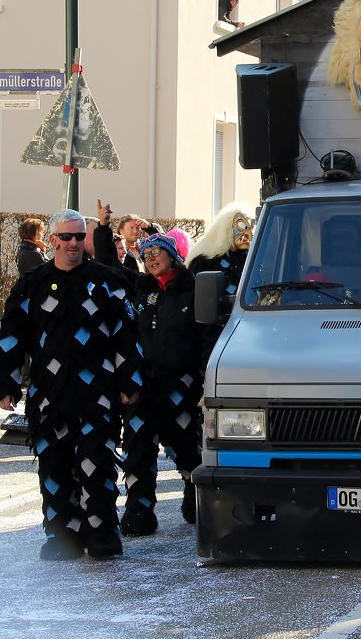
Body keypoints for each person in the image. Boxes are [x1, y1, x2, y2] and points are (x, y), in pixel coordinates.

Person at [0, 209, 144, 560]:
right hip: (49, 393)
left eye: (79, 237)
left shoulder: (107, 282)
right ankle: (63, 533)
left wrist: (129, 379)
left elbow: (127, 334)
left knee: (97, 461)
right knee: (54, 463)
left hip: (98, 391)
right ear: (54, 240)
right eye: (66, 237)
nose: (73, 244)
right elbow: (11, 335)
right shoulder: (33, 284)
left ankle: (102, 530)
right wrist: (6, 385)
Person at [97, 218, 205, 535]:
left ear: (172, 254)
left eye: (157, 252)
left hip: (180, 383)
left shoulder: (193, 288)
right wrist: (104, 232)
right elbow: (110, 268)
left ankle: (194, 494)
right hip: (143, 384)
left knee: (183, 445)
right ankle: (139, 510)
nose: (151, 259)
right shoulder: (142, 288)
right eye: (146, 255)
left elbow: (206, 335)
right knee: (138, 448)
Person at [187, 202, 255, 364]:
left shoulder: (255, 261)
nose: (247, 232)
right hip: (216, 335)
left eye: (250, 226)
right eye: (241, 225)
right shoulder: (206, 263)